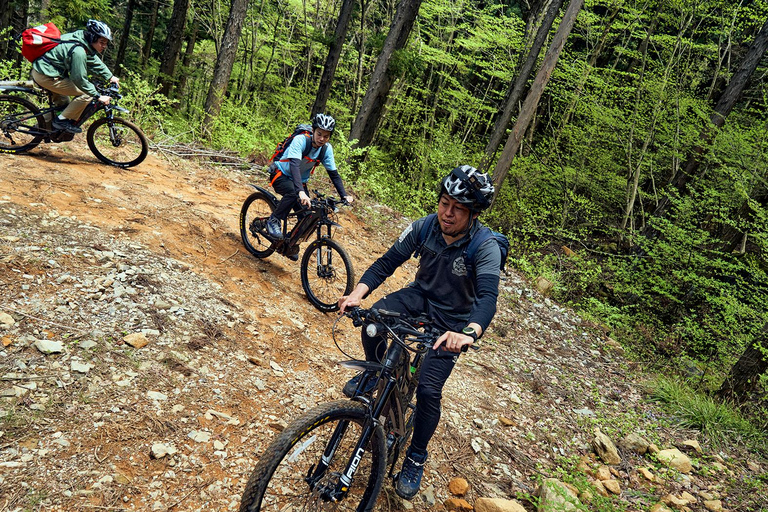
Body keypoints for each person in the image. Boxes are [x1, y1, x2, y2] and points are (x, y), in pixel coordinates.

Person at [338, 165, 501, 500]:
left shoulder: (485, 247)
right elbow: (387, 262)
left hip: (453, 321)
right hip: (420, 298)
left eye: (458, 208)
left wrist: (468, 333)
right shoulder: (425, 226)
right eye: (444, 202)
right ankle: (375, 373)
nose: (448, 213)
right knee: (372, 320)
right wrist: (358, 294)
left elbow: (487, 299)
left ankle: (416, 455)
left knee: (428, 390)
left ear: (473, 214)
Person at [264, 113, 354, 260]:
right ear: (313, 131)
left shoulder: (326, 149)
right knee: (293, 193)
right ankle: (273, 220)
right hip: (281, 175)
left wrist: (343, 195)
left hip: (300, 182)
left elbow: (334, 174)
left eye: (326, 136)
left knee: (308, 215)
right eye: (319, 134)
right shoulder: (300, 140)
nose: (322, 139)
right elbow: (293, 165)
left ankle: (287, 243)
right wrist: (300, 191)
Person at [30, 19, 119, 134]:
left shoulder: (80, 39)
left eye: (106, 42)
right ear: (92, 38)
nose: (104, 46)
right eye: (102, 42)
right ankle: (60, 122)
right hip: (47, 76)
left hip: (45, 71)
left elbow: (92, 59)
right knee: (87, 94)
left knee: (65, 106)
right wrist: (97, 95)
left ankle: (39, 129)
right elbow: (79, 79)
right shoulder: (79, 51)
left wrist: (110, 76)